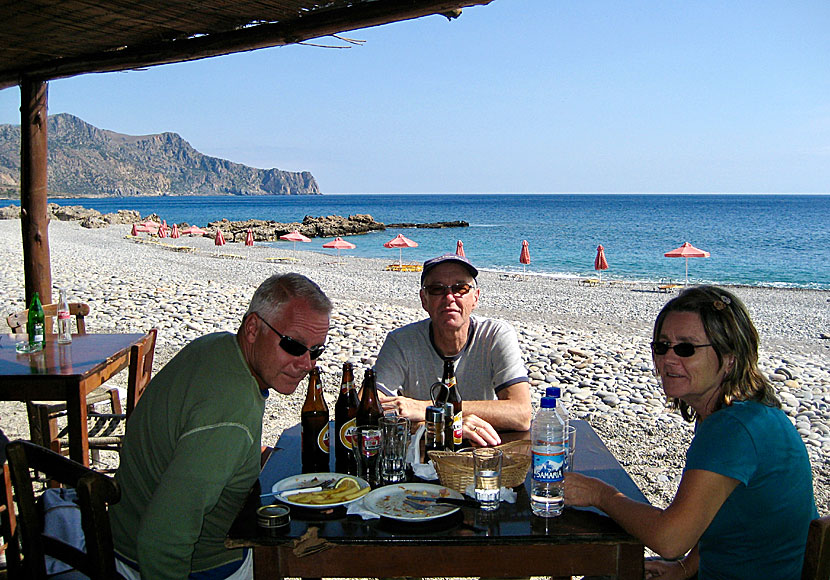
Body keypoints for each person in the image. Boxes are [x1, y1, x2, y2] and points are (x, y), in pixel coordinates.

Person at [565, 286, 817, 580]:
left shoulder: (733, 430)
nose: (669, 359)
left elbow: (670, 540)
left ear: (730, 356)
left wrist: (600, 494)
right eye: (661, 346)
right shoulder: (740, 413)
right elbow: (717, 510)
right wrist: (687, 566)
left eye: (686, 348)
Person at [111, 273, 331, 580]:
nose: (307, 364)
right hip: (189, 563)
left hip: (124, 532)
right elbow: (161, 541)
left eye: (316, 350)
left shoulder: (218, 346)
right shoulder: (230, 415)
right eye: (294, 346)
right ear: (253, 328)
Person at [374, 254, 532, 446]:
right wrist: (445, 427)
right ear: (424, 300)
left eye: (460, 288)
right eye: (437, 289)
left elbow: (521, 414)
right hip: (422, 460)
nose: (449, 297)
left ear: (475, 298)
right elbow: (369, 409)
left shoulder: (495, 335)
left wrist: (426, 410)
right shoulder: (401, 342)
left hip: (481, 455)